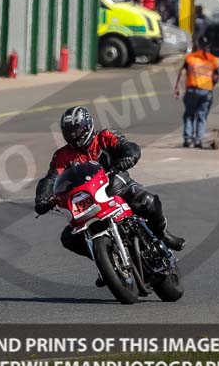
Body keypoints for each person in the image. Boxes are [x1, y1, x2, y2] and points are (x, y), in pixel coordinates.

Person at [35, 107, 185, 277]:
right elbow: (51, 178)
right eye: (69, 132)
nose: (74, 136)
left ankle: (163, 235)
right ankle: (106, 260)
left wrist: (129, 156)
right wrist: (42, 196)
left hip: (117, 186)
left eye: (76, 130)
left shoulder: (104, 137)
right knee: (69, 238)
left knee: (148, 202)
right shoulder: (62, 155)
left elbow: (128, 146)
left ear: (87, 126)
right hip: (87, 200)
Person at [174, 36, 219, 149]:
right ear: (208, 46)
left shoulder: (190, 58)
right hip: (206, 91)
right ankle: (198, 140)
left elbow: (181, 71)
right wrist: (211, 86)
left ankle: (188, 139)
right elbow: (216, 76)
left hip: (192, 90)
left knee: (189, 114)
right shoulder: (214, 60)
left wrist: (177, 87)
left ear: (197, 45)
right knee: (202, 116)